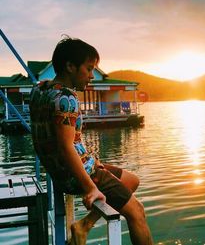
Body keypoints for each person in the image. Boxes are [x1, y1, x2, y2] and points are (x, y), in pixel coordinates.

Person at [30, 36, 153, 245]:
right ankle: (84, 224)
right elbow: (66, 147)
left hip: (62, 170)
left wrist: (92, 160)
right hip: (76, 174)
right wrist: (90, 187)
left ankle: (84, 225)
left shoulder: (40, 90)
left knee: (132, 180)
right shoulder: (66, 99)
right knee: (137, 212)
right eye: (88, 69)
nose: (91, 76)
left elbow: (61, 142)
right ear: (70, 66)